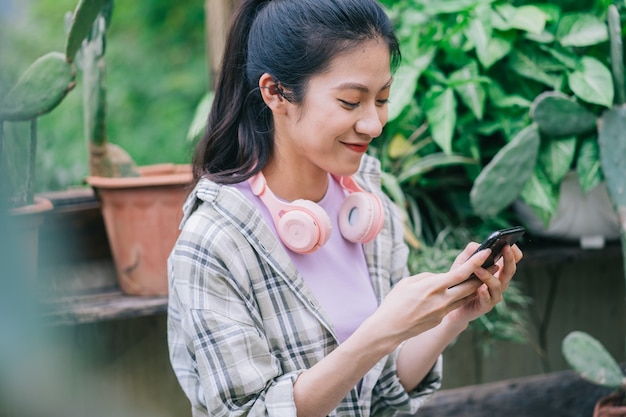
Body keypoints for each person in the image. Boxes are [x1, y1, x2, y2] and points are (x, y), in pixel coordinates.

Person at [167, 0, 524, 416]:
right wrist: (379, 332)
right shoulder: (213, 243)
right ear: (275, 92)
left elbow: (386, 391)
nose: (373, 124)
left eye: (383, 98)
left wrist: (453, 317)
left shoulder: (370, 208)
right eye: (351, 102)